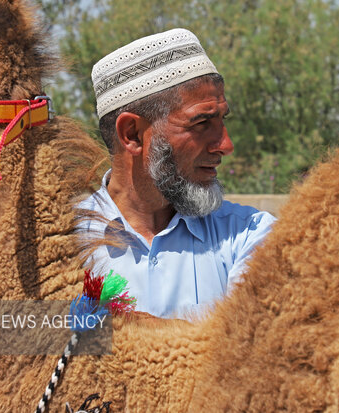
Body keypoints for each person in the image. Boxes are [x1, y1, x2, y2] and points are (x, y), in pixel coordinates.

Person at [77, 28, 275, 319]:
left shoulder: (250, 237)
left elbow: (249, 352)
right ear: (132, 135)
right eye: (201, 123)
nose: (226, 145)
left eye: (222, 120)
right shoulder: (63, 246)